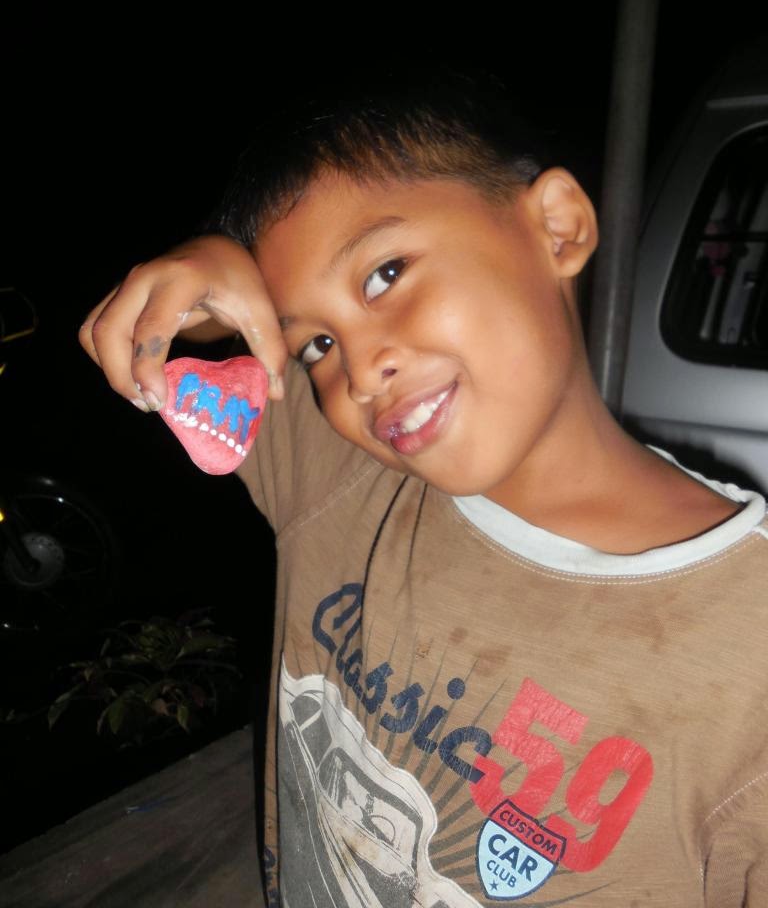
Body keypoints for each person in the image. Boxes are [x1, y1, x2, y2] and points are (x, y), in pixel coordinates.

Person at [80, 70, 768, 906]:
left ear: (556, 227)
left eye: (385, 274)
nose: (361, 371)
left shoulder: (749, 660)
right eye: (316, 344)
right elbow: (148, 344)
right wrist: (216, 266)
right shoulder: (343, 473)